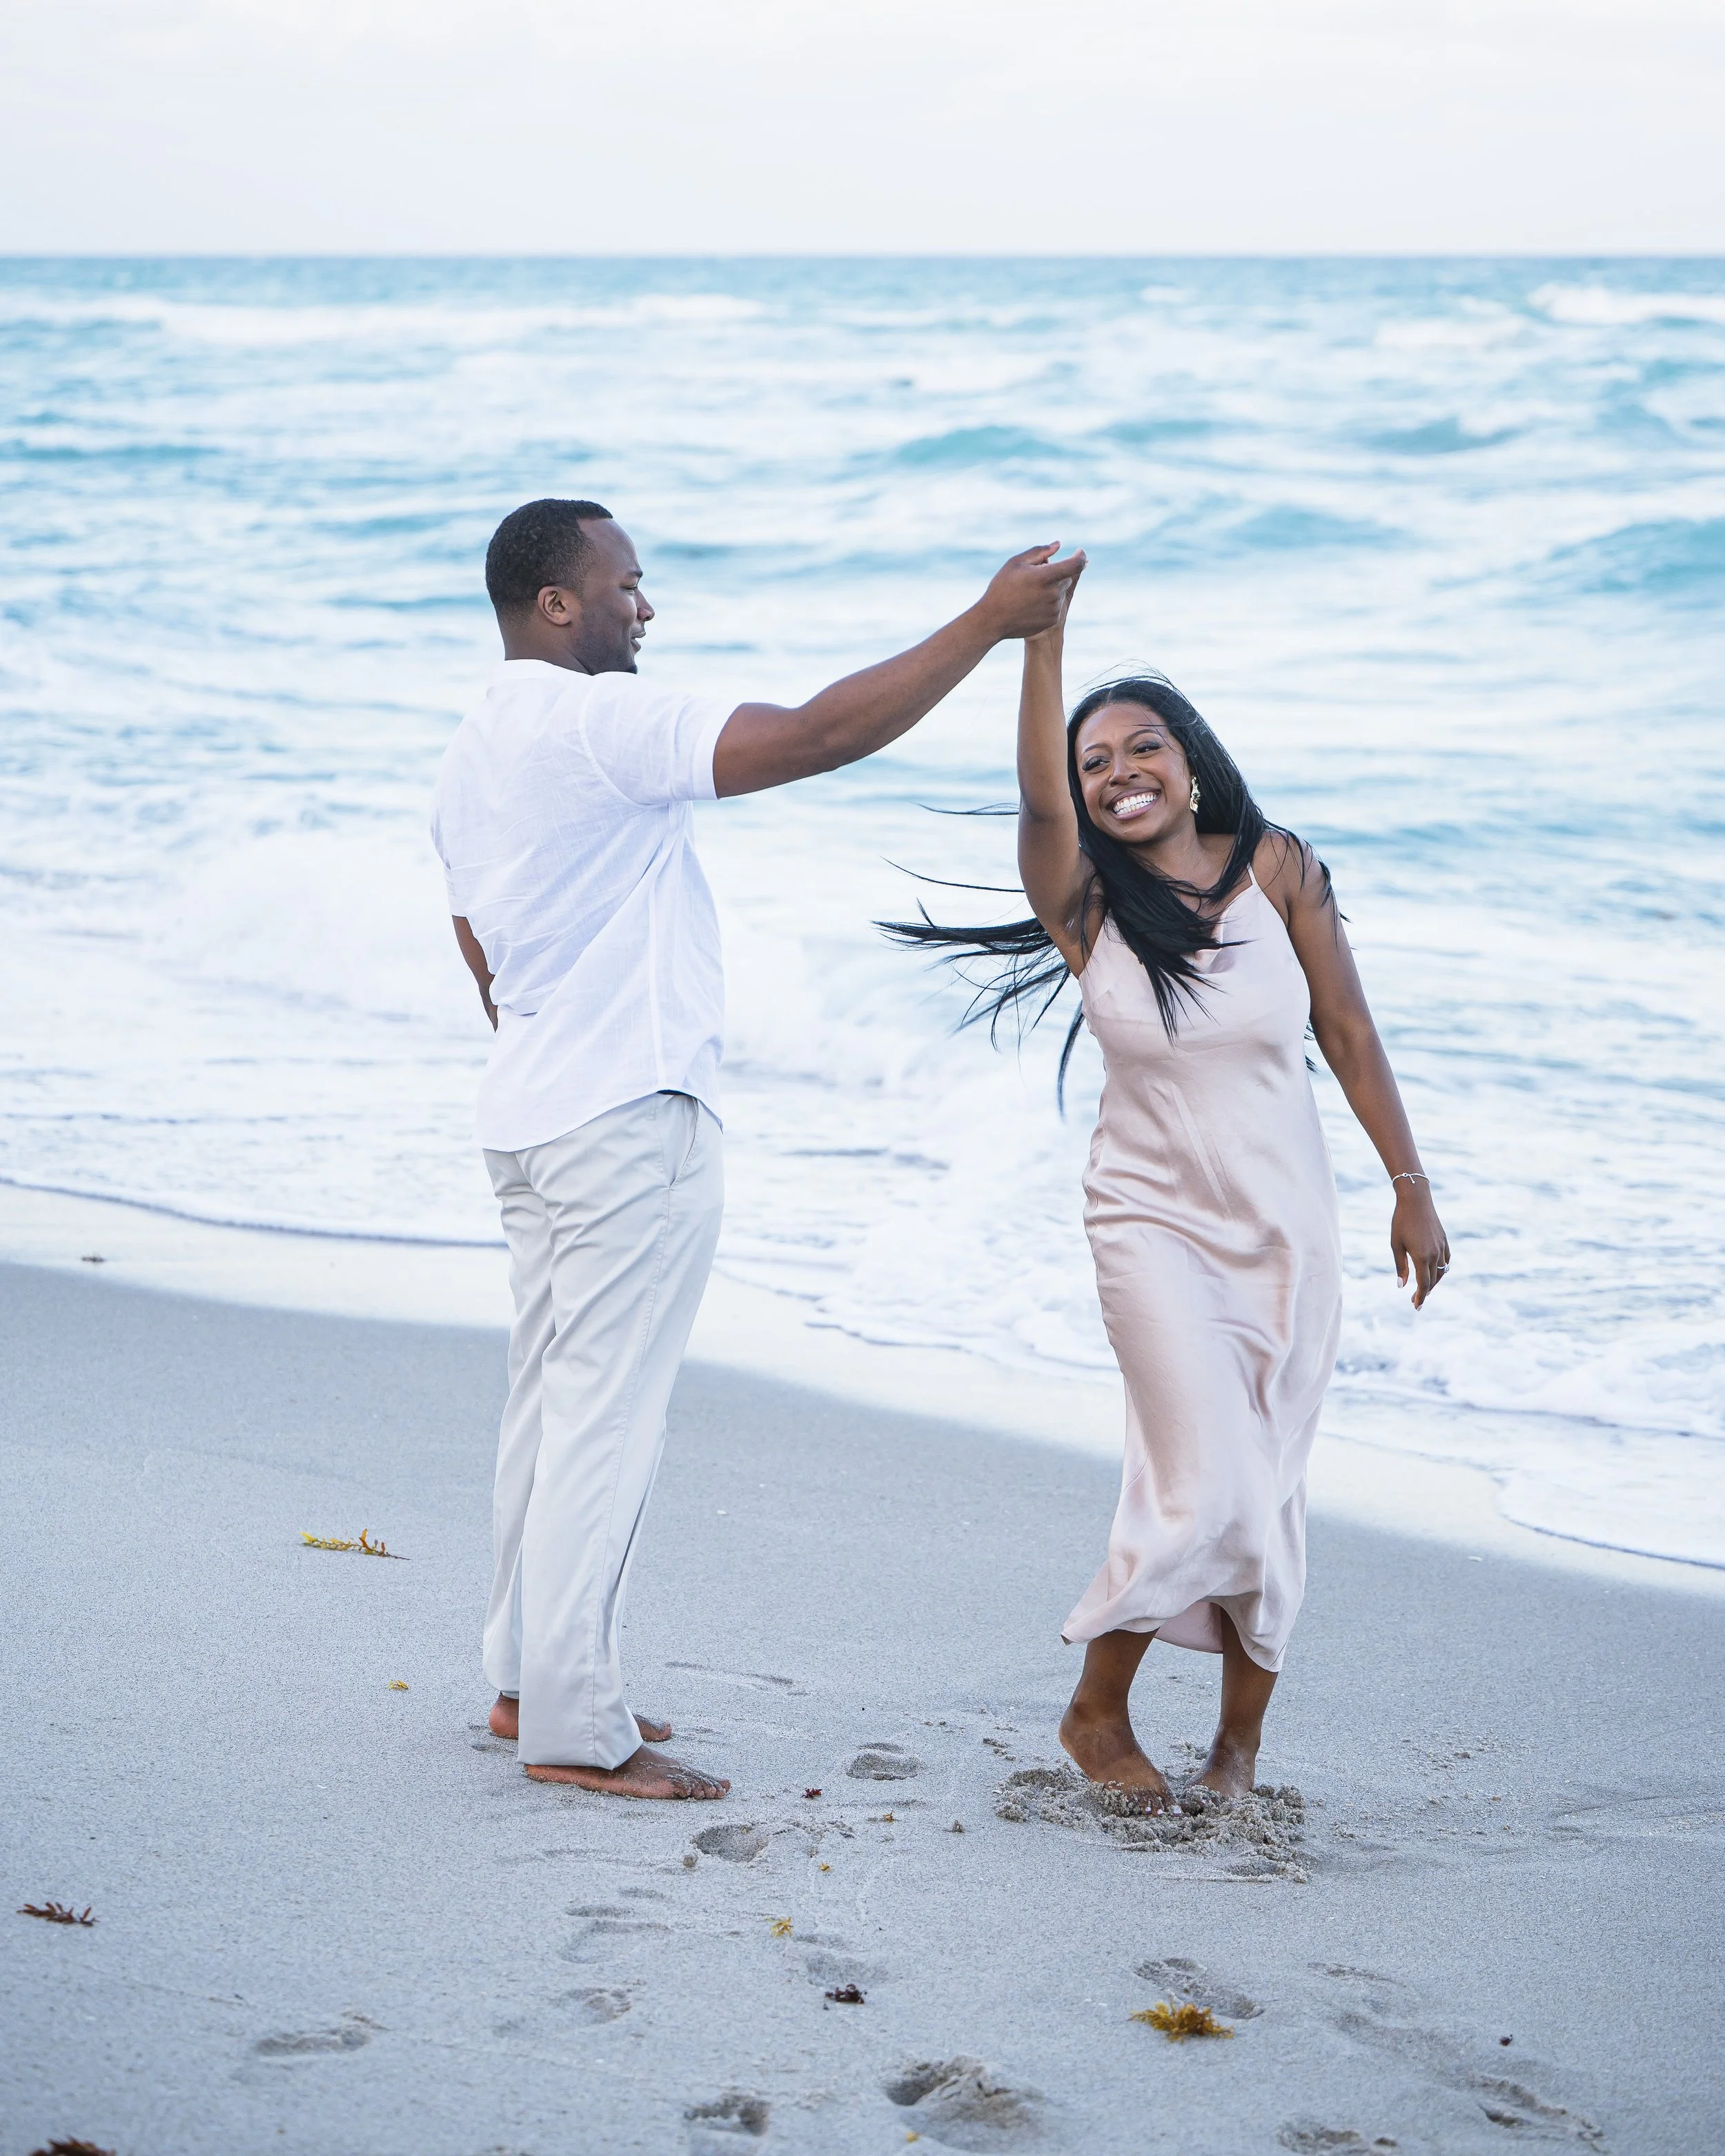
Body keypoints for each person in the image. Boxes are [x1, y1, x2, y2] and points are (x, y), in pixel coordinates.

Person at [429, 498, 1083, 1801]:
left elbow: (476, 943)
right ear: (557, 605)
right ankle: (572, 1723)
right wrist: (988, 624)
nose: (646, 608)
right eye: (627, 585)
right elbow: (813, 737)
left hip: (533, 1111)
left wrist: (551, 1034)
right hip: (626, 1115)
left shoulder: (474, 748)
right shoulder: (596, 720)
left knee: (547, 1407)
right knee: (608, 1419)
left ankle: (522, 1679)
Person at [887, 573, 1448, 1812]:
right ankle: (1097, 1710)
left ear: (1193, 764)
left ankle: (1238, 1750)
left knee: (1268, 1484)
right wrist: (1045, 644)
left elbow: (1349, 1031)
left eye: (1146, 746)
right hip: (1149, 1223)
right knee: (1208, 1480)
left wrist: (1412, 1188)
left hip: (1286, 1229)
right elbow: (1039, 793)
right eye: (1098, 762)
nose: (1119, 771)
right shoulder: (1086, 903)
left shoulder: (1281, 869)